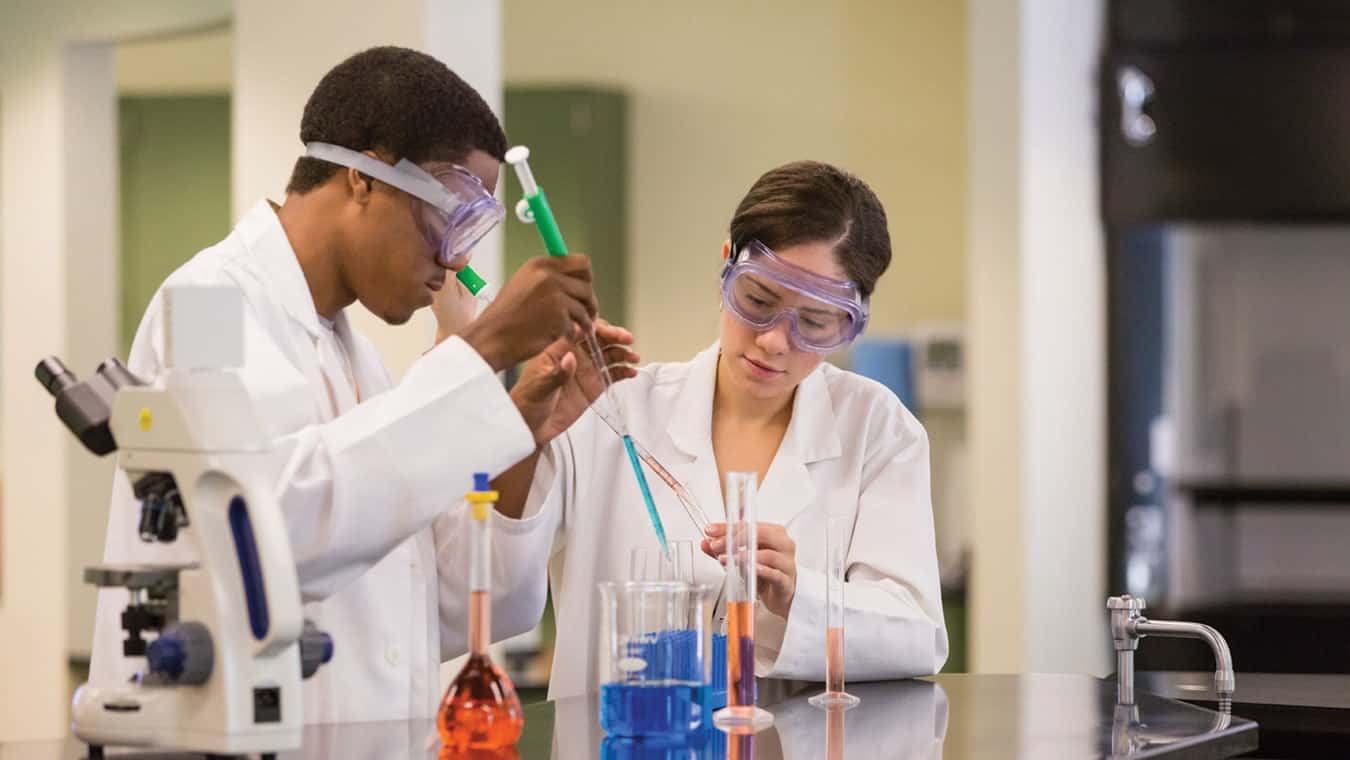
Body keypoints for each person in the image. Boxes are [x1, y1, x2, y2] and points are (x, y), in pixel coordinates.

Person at [91, 46, 634, 723]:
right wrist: (485, 346)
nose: (456, 257)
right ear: (364, 176)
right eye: (452, 214)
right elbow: (268, 536)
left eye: (475, 227)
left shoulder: (361, 359)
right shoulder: (208, 305)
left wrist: (518, 428)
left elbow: (445, 606)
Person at [480, 160, 948, 699]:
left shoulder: (876, 429)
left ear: (851, 320)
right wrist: (525, 427)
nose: (775, 340)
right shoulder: (612, 410)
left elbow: (918, 635)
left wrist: (801, 595)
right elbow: (492, 588)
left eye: (815, 322)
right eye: (758, 301)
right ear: (726, 266)